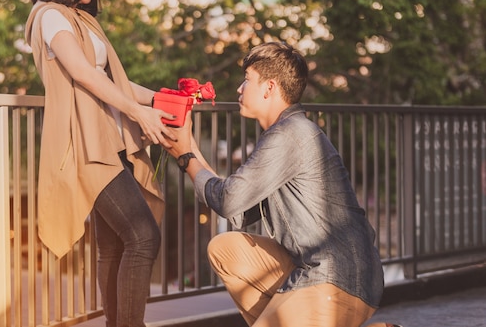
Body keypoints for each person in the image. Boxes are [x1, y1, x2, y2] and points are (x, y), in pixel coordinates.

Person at [164, 41, 400, 327]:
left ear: (269, 88)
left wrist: (186, 157)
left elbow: (226, 200)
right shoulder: (284, 134)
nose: (240, 88)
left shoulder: (290, 135)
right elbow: (236, 208)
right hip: (312, 268)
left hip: (339, 277)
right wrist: (187, 147)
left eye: (247, 80)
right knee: (225, 248)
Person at [25, 0, 176, 327]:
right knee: (143, 236)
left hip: (108, 138)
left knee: (114, 245)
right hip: (84, 143)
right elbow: (80, 73)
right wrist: (139, 114)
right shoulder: (50, 15)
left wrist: (162, 100)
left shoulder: (81, 19)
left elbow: (113, 83)